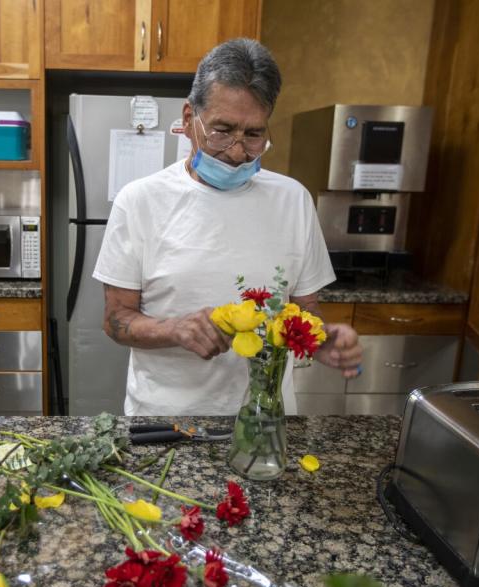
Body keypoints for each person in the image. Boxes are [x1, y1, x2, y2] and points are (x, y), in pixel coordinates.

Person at [92, 38, 362, 417]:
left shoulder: (293, 201)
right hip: (166, 420)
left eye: (253, 135)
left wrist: (321, 340)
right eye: (222, 130)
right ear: (189, 119)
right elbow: (116, 320)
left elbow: (305, 314)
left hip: (265, 420)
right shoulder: (139, 202)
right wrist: (175, 330)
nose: (237, 152)